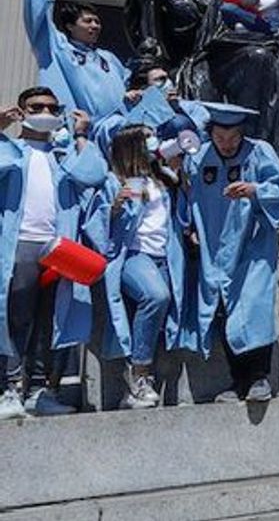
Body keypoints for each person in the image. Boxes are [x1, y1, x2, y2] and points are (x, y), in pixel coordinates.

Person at [0, 87, 106, 419]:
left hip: (59, 247)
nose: (44, 110)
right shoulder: (13, 150)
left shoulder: (62, 155)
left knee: (51, 321)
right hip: (20, 244)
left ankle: (40, 391)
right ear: (21, 111)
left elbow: (93, 174)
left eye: (50, 106)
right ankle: (9, 388)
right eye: (36, 106)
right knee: (15, 317)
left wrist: (80, 136)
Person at [185, 103, 279, 402]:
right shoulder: (200, 157)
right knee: (222, 307)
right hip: (214, 244)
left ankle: (259, 378)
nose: (227, 145)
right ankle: (238, 380)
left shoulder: (259, 151)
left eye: (232, 138)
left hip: (252, 244)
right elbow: (188, 195)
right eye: (220, 138)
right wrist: (189, 227)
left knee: (254, 306)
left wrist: (255, 189)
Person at [89, 123, 196, 409]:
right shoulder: (116, 180)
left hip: (165, 254)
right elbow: (98, 226)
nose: (154, 141)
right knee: (155, 296)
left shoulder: (163, 177)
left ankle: (137, 388)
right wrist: (113, 208)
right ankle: (139, 374)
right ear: (132, 144)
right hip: (134, 253)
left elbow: (180, 216)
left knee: (164, 313)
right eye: (147, 137)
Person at [23, 0, 129, 119]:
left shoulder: (108, 58)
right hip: (78, 128)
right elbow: (37, 20)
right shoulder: (58, 48)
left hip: (117, 131)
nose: (95, 26)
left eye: (97, 22)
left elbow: (130, 82)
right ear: (70, 26)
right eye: (88, 21)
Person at [93, 62, 210, 158]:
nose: (169, 84)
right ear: (144, 89)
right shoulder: (129, 116)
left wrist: (176, 109)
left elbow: (202, 136)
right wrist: (136, 108)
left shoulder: (193, 108)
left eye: (168, 78)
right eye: (160, 80)